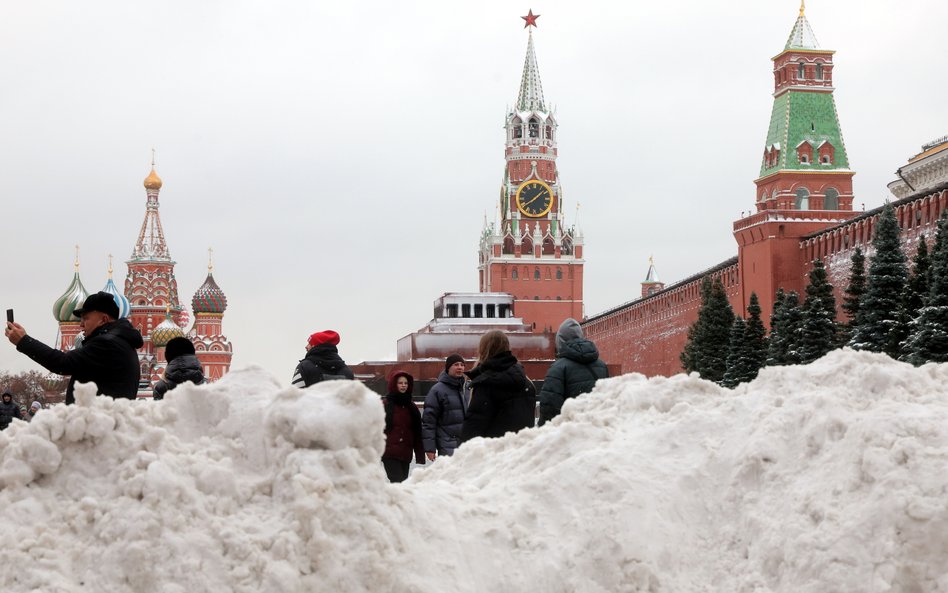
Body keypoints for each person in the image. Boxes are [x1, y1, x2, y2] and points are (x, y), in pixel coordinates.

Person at [5, 292, 143, 404]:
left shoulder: (106, 344)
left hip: (98, 429)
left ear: (104, 319)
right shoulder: (120, 342)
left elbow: (62, 363)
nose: (81, 325)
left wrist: (23, 341)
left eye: (86, 318)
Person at [461, 330, 536, 442]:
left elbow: (473, 429)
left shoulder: (487, 384)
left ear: (483, 349)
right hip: (520, 452)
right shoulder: (527, 383)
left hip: (493, 453)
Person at [537, 318, 610, 426]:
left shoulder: (557, 368)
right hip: (596, 431)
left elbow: (549, 408)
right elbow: (607, 401)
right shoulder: (602, 366)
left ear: (560, 341)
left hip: (570, 433)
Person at [381, 370, 425, 482]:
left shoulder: (412, 407)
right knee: (397, 481)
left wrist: (419, 455)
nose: (403, 385)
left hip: (405, 453)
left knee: (403, 483)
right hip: (389, 453)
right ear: (394, 384)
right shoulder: (385, 405)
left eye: (406, 383)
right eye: (400, 383)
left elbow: (417, 432)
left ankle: (394, 499)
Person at [421, 353, 467, 460]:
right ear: (448, 368)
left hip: (467, 445)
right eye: (456, 364)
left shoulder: (467, 389)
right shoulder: (437, 391)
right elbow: (429, 422)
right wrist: (430, 448)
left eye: (462, 364)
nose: (460, 367)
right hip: (447, 445)